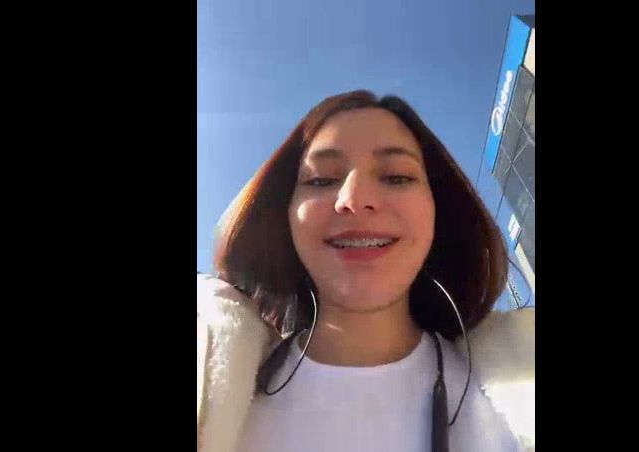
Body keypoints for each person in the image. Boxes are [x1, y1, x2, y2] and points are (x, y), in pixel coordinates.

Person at [197, 90, 534, 452]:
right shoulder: (210, 379)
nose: (355, 200)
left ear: (438, 210)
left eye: (396, 177)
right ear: (284, 216)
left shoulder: (517, 392)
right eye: (321, 180)